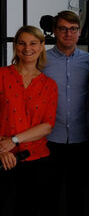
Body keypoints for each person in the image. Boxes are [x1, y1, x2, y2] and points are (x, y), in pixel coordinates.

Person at [0, 26, 58, 216]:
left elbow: (47, 126)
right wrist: (1, 148)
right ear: (15, 46)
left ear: (42, 46)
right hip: (3, 159)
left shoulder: (49, 85)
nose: (27, 48)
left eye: (33, 43)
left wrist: (13, 140)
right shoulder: (1, 75)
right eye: (22, 43)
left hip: (37, 161)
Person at [42, 10, 89, 216]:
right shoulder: (42, 60)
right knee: (48, 195)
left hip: (81, 137)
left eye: (73, 29)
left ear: (79, 32)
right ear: (54, 31)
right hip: (49, 138)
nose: (68, 34)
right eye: (63, 29)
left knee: (77, 194)